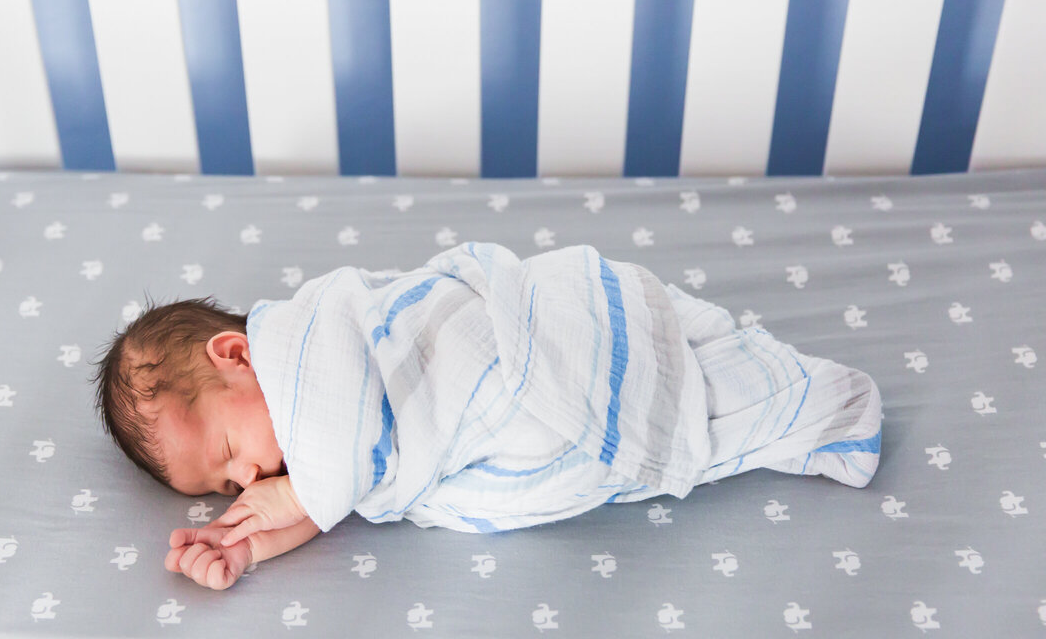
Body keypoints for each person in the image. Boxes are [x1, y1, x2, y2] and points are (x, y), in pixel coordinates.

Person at [90, 242, 882, 591]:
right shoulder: (316, 456)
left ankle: (790, 397)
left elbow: (342, 454)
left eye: (229, 448)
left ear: (235, 355)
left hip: (513, 343)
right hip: (491, 433)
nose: (247, 477)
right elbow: (346, 490)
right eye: (224, 484)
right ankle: (786, 404)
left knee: (598, 396)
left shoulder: (315, 332)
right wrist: (247, 547)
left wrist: (296, 499)